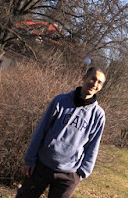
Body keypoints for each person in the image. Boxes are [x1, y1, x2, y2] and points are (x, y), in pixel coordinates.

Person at [16, 67, 106, 198]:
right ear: (84, 77)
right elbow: (41, 130)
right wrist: (30, 159)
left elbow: (93, 145)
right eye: (93, 78)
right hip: (42, 165)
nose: (95, 84)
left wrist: (83, 172)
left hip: (69, 174)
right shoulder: (60, 101)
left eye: (99, 82)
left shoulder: (98, 115)